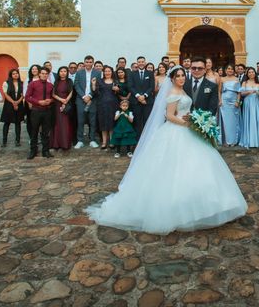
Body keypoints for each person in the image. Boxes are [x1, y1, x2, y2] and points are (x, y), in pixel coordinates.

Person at [85, 66, 247, 234]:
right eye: (178, 76)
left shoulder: (183, 92)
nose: (182, 78)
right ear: (172, 79)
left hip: (187, 129)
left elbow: (184, 111)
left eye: (183, 75)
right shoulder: (172, 94)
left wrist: (194, 119)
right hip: (176, 130)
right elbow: (169, 115)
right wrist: (187, 124)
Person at [24, 67, 54, 159]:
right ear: (39, 74)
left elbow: (54, 97)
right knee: (34, 131)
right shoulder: (33, 84)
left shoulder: (51, 85)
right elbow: (27, 97)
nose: (44, 75)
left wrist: (51, 100)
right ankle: (33, 150)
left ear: (48, 75)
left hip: (47, 111)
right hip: (36, 111)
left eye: (46, 74)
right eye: (43, 73)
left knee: (46, 132)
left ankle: (46, 151)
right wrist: (38, 102)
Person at [74, 55, 100, 149]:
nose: (88, 63)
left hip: (93, 100)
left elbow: (98, 86)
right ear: (84, 62)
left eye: (90, 62)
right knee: (80, 121)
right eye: (87, 62)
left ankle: (92, 139)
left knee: (92, 121)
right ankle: (80, 140)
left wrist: (90, 96)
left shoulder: (97, 73)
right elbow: (76, 85)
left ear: (93, 63)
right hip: (81, 100)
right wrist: (84, 96)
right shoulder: (79, 72)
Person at [238, 67, 259, 148]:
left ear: (255, 73)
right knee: (249, 119)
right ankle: (249, 140)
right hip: (248, 103)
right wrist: (249, 91)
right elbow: (242, 93)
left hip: (257, 102)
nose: (251, 73)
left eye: (253, 72)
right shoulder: (244, 82)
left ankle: (258, 140)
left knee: (257, 119)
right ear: (247, 74)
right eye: (249, 72)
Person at [129, 56, 155, 135]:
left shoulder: (150, 73)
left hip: (147, 102)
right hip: (136, 102)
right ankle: (137, 141)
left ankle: (146, 140)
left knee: (147, 121)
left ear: (145, 63)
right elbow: (130, 86)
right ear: (137, 63)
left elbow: (152, 87)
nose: (141, 63)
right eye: (139, 62)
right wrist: (138, 96)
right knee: (137, 122)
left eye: (142, 62)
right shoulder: (132, 74)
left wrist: (144, 96)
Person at [51, 66, 74, 151]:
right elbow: (53, 94)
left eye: (65, 71)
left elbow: (71, 92)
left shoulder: (69, 81)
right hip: (57, 104)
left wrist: (66, 101)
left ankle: (65, 143)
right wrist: (61, 100)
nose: (63, 73)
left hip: (67, 104)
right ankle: (56, 144)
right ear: (59, 72)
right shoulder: (56, 82)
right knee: (58, 123)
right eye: (61, 71)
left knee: (65, 124)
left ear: (67, 73)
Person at [0, 68, 24, 147]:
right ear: (11, 75)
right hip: (9, 105)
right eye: (13, 74)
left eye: (17, 73)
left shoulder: (22, 83)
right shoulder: (6, 83)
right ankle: (4, 141)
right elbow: (6, 94)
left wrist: (18, 102)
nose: (15, 75)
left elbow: (23, 95)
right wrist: (13, 102)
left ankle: (17, 140)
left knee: (18, 123)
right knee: (7, 123)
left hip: (19, 104)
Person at [218, 65, 241, 147]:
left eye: (231, 69)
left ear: (233, 70)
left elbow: (239, 92)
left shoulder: (236, 79)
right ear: (225, 70)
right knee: (225, 121)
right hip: (225, 102)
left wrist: (237, 101)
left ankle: (234, 141)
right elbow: (219, 91)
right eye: (228, 68)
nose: (230, 70)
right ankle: (226, 141)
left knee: (234, 121)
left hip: (234, 101)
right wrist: (220, 100)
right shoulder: (222, 79)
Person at [97, 65, 118, 149]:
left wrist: (117, 90)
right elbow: (96, 93)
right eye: (106, 71)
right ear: (103, 72)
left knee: (112, 122)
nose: (107, 72)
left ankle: (112, 142)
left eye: (109, 71)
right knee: (103, 123)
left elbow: (118, 93)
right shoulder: (100, 81)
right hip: (102, 104)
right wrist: (94, 85)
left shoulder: (115, 81)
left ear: (111, 72)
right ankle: (104, 142)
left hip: (113, 104)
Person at [24, 64, 41, 140]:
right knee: (30, 122)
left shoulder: (43, 79)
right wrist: (29, 103)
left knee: (40, 121)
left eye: (36, 69)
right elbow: (25, 93)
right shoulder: (27, 80)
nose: (34, 70)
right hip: (29, 103)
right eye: (33, 69)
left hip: (40, 104)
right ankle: (32, 138)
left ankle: (40, 137)